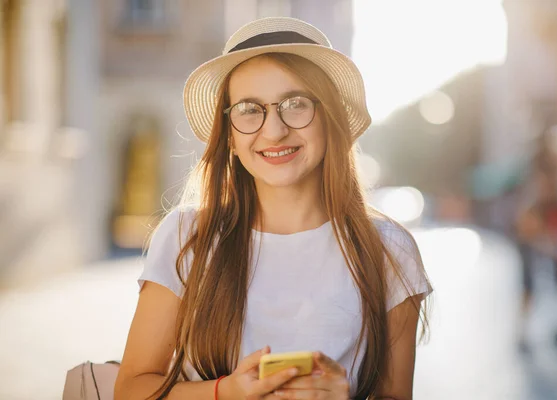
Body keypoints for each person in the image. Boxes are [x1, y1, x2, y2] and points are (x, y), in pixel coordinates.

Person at [114, 17, 432, 400]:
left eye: (296, 104)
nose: (274, 130)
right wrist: (225, 392)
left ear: (330, 120)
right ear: (229, 136)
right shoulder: (187, 237)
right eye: (250, 109)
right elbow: (130, 389)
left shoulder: (389, 250)